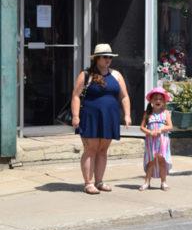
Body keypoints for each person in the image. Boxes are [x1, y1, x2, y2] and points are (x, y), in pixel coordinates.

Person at [71, 44, 131, 195]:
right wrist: (76, 116)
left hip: (109, 117)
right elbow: (76, 96)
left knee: (103, 150)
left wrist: (127, 115)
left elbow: (124, 96)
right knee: (91, 149)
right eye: (105, 57)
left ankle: (99, 181)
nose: (108, 60)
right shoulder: (86, 74)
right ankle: (88, 183)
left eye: (110, 57)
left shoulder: (116, 75)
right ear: (97, 58)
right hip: (90, 117)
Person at [139, 87, 174, 191]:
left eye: (160, 99)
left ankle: (163, 182)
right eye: (155, 99)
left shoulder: (166, 113)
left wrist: (161, 129)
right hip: (151, 141)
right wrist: (149, 132)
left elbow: (170, 126)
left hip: (163, 140)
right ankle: (147, 182)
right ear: (151, 101)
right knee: (151, 161)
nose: (158, 101)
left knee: (162, 160)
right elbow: (142, 127)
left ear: (164, 101)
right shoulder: (147, 113)